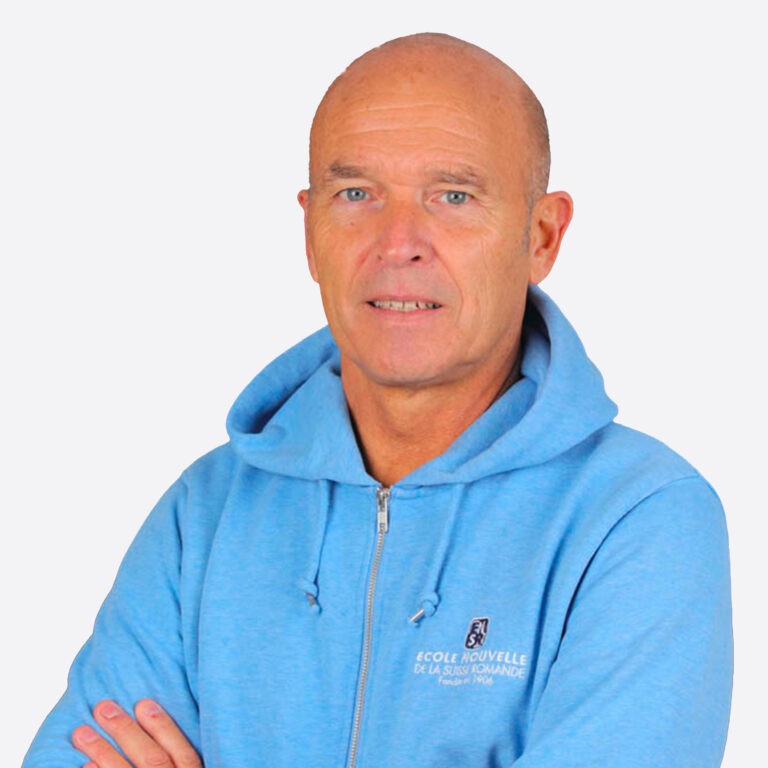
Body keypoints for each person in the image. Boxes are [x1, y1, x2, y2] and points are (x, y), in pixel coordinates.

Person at [23, 32, 733, 768]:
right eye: (355, 194)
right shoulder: (205, 513)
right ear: (310, 230)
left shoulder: (638, 517)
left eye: (453, 196)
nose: (398, 243)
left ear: (542, 236)